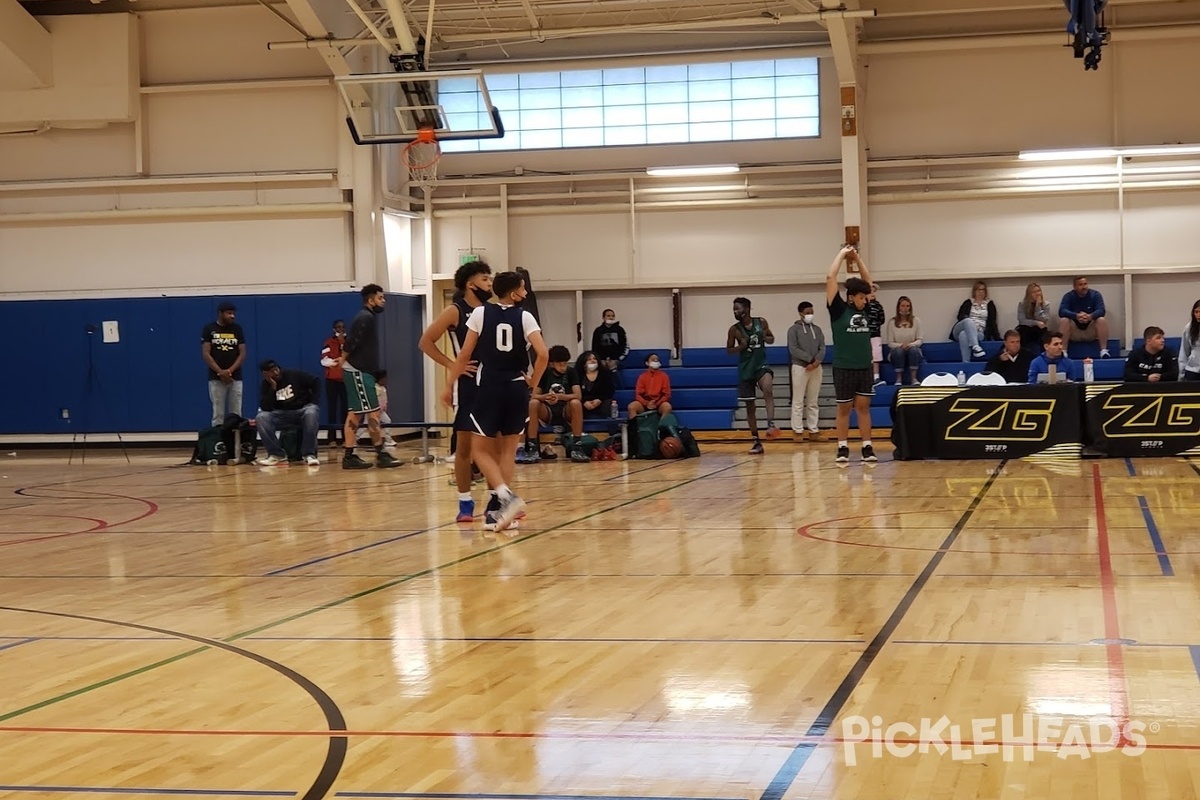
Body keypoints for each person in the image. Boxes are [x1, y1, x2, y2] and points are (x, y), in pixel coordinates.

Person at [443, 271, 548, 533]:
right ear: (514, 294)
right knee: (508, 451)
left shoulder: (480, 314)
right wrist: (533, 381)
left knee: (480, 451)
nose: (525, 293)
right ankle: (501, 512)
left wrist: (449, 385)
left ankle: (506, 497)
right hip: (516, 388)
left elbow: (465, 354)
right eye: (523, 289)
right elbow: (543, 353)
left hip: (489, 387)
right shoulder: (525, 317)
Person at [418, 260, 494, 521]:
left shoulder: (493, 310)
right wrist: (453, 365)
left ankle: (495, 501)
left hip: (493, 382)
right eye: (485, 279)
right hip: (469, 384)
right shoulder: (455, 311)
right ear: (471, 284)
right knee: (464, 448)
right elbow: (425, 342)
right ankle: (464, 503)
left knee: (492, 447)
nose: (490, 283)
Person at [341, 283, 403, 470]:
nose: (383, 301)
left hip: (361, 371)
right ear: (370, 300)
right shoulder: (365, 317)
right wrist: (342, 359)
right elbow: (353, 341)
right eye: (380, 298)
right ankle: (380, 453)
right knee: (372, 413)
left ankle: (350, 455)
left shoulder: (367, 317)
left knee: (356, 413)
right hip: (358, 371)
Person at [825, 245, 877, 463]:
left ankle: (867, 447)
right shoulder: (838, 309)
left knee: (863, 408)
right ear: (851, 297)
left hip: (864, 365)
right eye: (862, 297)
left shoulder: (864, 309)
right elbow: (830, 276)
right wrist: (843, 254)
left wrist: (857, 257)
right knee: (844, 407)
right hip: (844, 366)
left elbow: (868, 280)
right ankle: (842, 447)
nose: (866, 300)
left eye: (866, 297)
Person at [727, 297, 780, 455]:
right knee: (751, 407)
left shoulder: (761, 322)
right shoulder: (734, 329)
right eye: (734, 309)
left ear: (747, 309)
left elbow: (771, 339)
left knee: (768, 389)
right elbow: (729, 350)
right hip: (746, 370)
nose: (735, 312)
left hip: (761, 365)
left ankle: (771, 424)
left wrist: (765, 337)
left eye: (738, 309)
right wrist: (740, 347)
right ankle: (756, 441)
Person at [523, 345, 587, 463]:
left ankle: (577, 446)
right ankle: (533, 448)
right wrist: (545, 397)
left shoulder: (571, 372)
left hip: (565, 410)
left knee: (576, 403)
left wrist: (561, 397)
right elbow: (534, 395)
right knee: (533, 403)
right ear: (552, 364)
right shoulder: (544, 373)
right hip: (548, 411)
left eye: (565, 364)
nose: (563, 367)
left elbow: (578, 395)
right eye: (560, 364)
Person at [254, 359, 321, 467]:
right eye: (271, 371)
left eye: (276, 369)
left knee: (311, 412)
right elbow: (265, 407)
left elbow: (316, 381)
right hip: (281, 414)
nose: (276, 373)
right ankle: (276, 454)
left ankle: (309, 454)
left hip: (301, 410)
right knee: (261, 417)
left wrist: (313, 401)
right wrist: (273, 387)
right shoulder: (266, 385)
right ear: (265, 374)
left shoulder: (293, 374)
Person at [201, 301, 247, 426]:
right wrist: (220, 372)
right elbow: (206, 353)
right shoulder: (209, 329)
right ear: (220, 314)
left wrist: (230, 371)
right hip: (216, 377)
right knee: (218, 412)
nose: (232, 316)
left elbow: (242, 353)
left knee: (236, 411)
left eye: (233, 313)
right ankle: (218, 441)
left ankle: (236, 441)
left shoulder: (237, 329)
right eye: (229, 313)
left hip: (235, 377)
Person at [786, 301, 825, 441]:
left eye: (812, 312)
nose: (810, 315)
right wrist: (809, 360)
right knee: (798, 401)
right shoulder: (793, 330)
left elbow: (822, 347)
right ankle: (797, 431)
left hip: (816, 368)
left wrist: (816, 362)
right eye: (808, 312)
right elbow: (793, 349)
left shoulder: (818, 330)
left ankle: (813, 430)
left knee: (813, 401)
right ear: (801, 313)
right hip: (799, 367)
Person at [1058, 276, 1111, 358]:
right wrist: (1076, 316)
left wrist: (1090, 316)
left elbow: (1101, 310)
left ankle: (1103, 351)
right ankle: (1063, 352)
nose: (1084, 287)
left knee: (1101, 320)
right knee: (1064, 320)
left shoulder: (1095, 295)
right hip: (1074, 332)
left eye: (1085, 284)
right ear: (1074, 287)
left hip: (1090, 330)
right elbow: (1062, 311)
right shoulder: (1068, 296)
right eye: (1080, 285)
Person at [950, 280, 1000, 361]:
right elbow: (960, 316)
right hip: (962, 327)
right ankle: (976, 346)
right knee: (968, 321)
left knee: (963, 335)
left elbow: (992, 322)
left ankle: (966, 363)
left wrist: (997, 338)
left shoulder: (989, 304)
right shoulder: (968, 302)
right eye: (978, 290)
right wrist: (972, 326)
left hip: (979, 332)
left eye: (983, 290)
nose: (980, 292)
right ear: (974, 291)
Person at [883, 295, 924, 386]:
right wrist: (901, 345)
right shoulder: (892, 322)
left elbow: (919, 340)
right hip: (897, 351)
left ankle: (913, 378)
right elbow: (890, 343)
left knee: (913, 350)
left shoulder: (916, 321)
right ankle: (898, 379)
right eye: (903, 306)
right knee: (898, 351)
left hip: (912, 349)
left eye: (907, 306)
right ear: (898, 307)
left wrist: (910, 345)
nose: (905, 308)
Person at [319, 319, 347, 446]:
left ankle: (346, 438)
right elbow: (324, 361)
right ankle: (331, 438)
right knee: (332, 408)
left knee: (345, 409)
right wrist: (335, 362)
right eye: (338, 327)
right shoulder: (328, 342)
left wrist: (343, 345)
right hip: (331, 380)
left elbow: (351, 358)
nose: (340, 330)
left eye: (342, 327)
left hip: (346, 380)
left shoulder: (348, 342)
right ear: (334, 329)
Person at [591, 309, 629, 387]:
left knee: (612, 367)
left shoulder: (620, 330)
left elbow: (626, 346)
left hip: (617, 360)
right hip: (602, 360)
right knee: (602, 368)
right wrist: (601, 360)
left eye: (613, 316)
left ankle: (620, 389)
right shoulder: (598, 331)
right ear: (603, 317)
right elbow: (594, 347)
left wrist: (617, 359)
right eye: (608, 316)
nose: (611, 317)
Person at [627, 353, 672, 419]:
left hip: (659, 404)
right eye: (653, 360)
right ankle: (635, 428)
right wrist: (646, 403)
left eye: (657, 360)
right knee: (631, 407)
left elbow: (667, 394)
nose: (655, 361)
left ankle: (661, 427)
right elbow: (638, 394)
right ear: (647, 363)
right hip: (644, 404)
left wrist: (656, 403)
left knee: (667, 407)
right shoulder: (642, 376)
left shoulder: (664, 376)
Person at [576, 350, 616, 419]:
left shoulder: (604, 372)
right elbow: (575, 391)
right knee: (575, 404)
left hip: (601, 401)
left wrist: (599, 400)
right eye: (589, 359)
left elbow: (610, 390)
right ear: (584, 363)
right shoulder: (577, 374)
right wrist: (584, 402)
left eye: (594, 359)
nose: (593, 361)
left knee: (608, 404)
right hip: (584, 402)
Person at [1016, 282, 1051, 354]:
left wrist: (1038, 306)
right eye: (1034, 292)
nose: (1037, 294)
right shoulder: (1022, 304)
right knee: (1022, 331)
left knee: (1044, 333)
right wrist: (1036, 323)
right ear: (1029, 294)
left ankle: (1044, 355)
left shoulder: (1046, 304)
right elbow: (1022, 320)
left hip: (1039, 329)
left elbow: (1044, 320)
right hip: (1026, 328)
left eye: (1039, 291)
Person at [866, 283, 886, 386]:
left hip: (875, 335)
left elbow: (882, 319)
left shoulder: (878, 305)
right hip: (864, 336)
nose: (872, 293)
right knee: (866, 356)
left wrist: (875, 325)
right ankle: (867, 377)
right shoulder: (863, 306)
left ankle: (876, 377)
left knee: (876, 356)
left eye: (874, 291)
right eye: (870, 291)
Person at [1179, 299, 1200, 381]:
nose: (1198, 315)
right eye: (1196, 312)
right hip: (1193, 370)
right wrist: (1181, 374)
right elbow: (1184, 351)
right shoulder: (1189, 327)